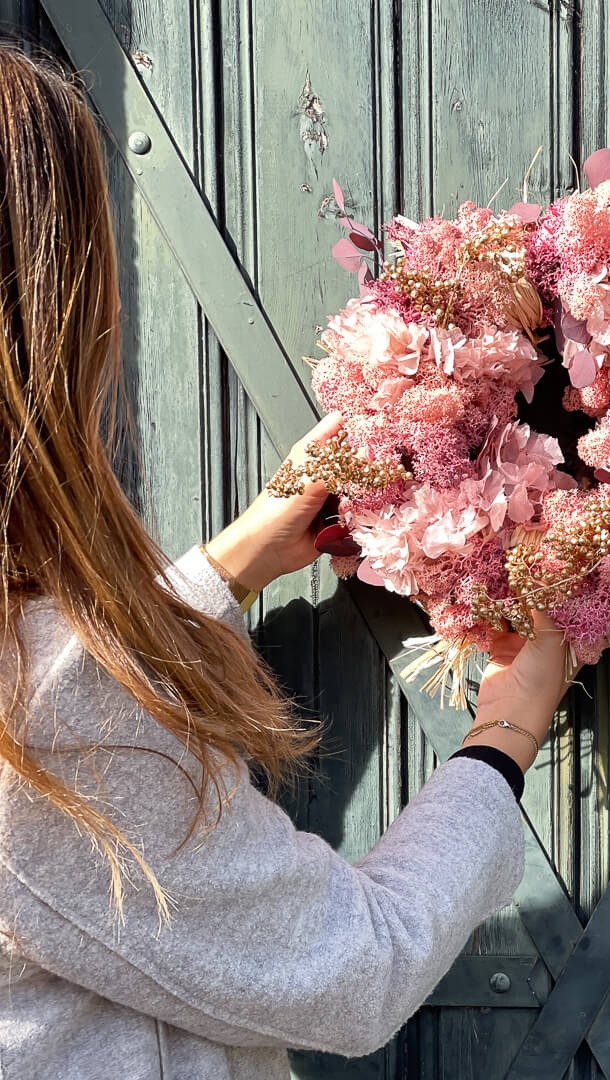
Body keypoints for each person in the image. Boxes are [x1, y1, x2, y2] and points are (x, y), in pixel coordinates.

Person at [0, 46, 568, 1079]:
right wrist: (506, 728)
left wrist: (227, 568)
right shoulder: (41, 717)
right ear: (53, 308)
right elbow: (354, 971)